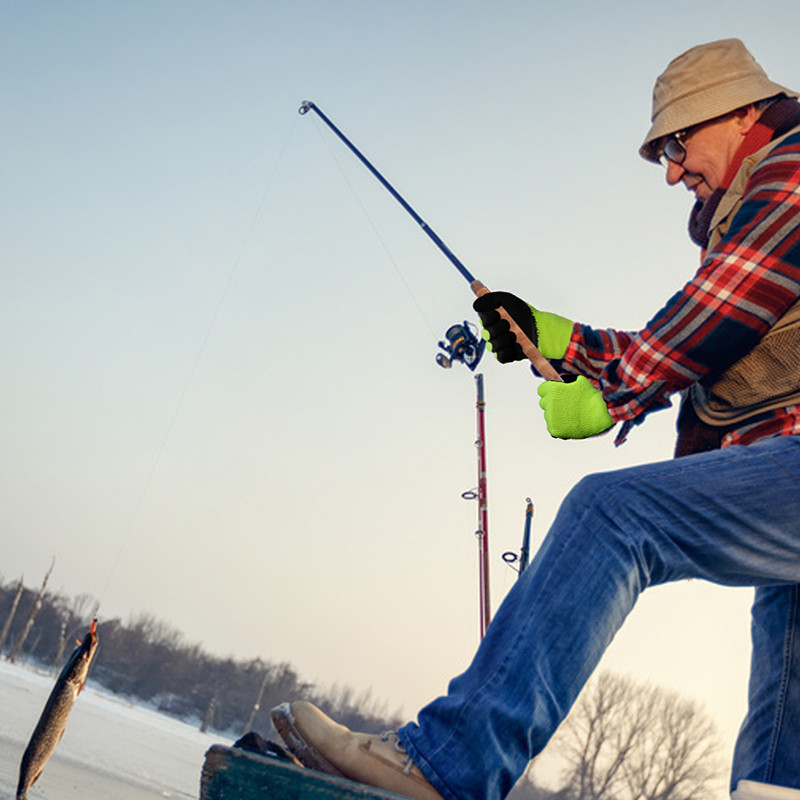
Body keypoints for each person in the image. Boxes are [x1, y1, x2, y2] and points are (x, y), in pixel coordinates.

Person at [271, 39, 800, 799]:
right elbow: (720, 345)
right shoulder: (758, 202)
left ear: (745, 112)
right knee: (787, 729)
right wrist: (553, 337)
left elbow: (707, 324)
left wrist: (608, 392)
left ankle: (450, 767)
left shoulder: (793, 165)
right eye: (662, 158)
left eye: (679, 144)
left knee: (615, 515)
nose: (674, 171)